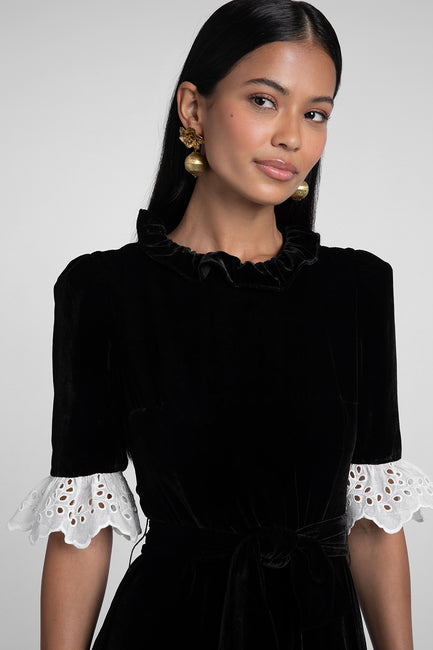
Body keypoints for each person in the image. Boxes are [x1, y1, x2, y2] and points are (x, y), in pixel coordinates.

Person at [8, 1, 433, 648]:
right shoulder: (104, 291)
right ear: (193, 108)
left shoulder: (357, 288)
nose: (292, 136)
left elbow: (374, 527)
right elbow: (82, 532)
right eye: (264, 101)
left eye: (315, 113)